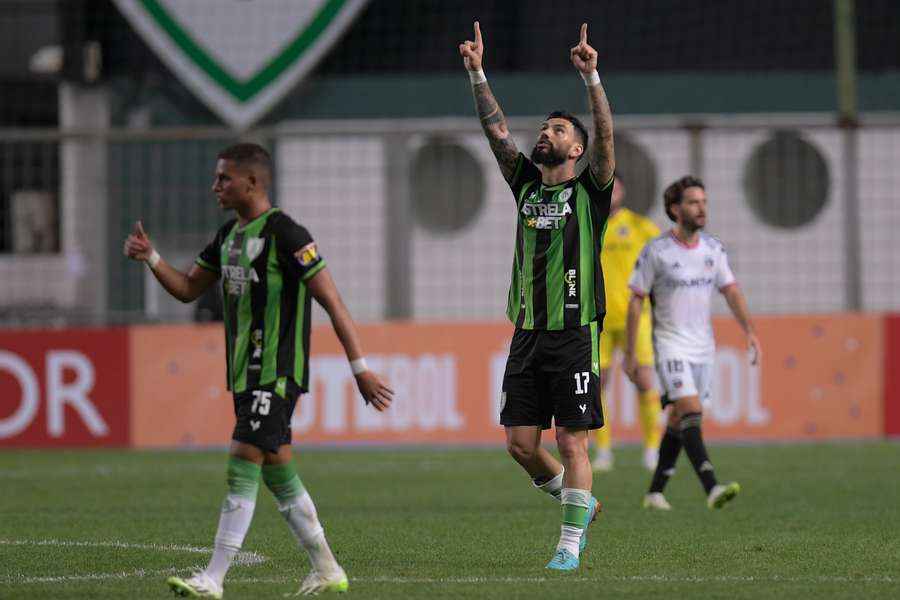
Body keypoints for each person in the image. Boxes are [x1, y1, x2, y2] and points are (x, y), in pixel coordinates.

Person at [123, 143, 394, 598]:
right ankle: (327, 568)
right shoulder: (228, 236)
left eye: (223, 178)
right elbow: (189, 288)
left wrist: (360, 368)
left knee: (242, 458)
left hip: (277, 372)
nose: (215, 186)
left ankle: (213, 577)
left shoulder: (287, 234)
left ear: (252, 181)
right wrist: (152, 258)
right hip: (244, 375)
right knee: (277, 471)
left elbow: (333, 302)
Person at [459, 22, 612, 570]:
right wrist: (477, 71)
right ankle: (579, 503)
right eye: (544, 128)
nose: (545, 134)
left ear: (577, 148)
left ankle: (569, 546)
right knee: (521, 446)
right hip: (526, 334)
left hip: (574, 334)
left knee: (573, 443)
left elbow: (607, 137)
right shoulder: (525, 184)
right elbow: (495, 132)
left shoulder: (591, 193)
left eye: (557, 130)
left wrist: (591, 77)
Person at [624, 175, 760, 510]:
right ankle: (712, 487)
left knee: (677, 420)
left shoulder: (713, 249)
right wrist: (630, 352)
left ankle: (655, 492)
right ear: (675, 208)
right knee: (692, 411)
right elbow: (636, 300)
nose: (701, 208)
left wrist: (749, 331)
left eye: (704, 202)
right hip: (670, 344)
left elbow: (730, 290)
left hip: (704, 348)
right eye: (693, 202)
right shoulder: (656, 251)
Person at [591, 172, 662, 473]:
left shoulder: (641, 226)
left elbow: (664, 264)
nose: (613, 193)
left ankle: (652, 449)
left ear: (623, 191)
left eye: (617, 187)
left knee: (644, 380)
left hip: (637, 317)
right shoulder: (589, 225)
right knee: (597, 386)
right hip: (598, 318)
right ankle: (604, 450)